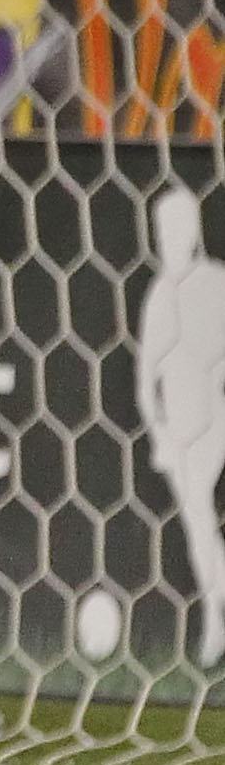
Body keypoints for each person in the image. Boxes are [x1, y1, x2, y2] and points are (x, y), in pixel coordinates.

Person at [136, 187, 225, 671]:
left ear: (191, 233)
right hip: (180, 432)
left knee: (200, 522)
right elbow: (145, 382)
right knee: (198, 527)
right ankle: (215, 619)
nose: (165, 241)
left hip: (217, 421)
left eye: (172, 231)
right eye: (160, 232)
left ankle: (216, 623)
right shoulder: (157, 300)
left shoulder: (215, 285)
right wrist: (160, 432)